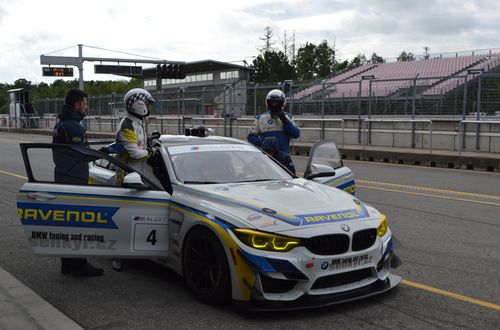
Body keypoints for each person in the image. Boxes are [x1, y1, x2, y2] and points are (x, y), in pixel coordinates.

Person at [52, 89, 104, 277]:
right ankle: (80, 264)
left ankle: (67, 264)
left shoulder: (62, 123)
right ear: (76, 105)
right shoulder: (73, 126)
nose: (87, 106)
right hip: (74, 181)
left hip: (63, 177)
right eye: (85, 103)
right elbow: (81, 153)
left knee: (67, 224)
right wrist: (104, 153)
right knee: (78, 224)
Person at [112, 88, 158, 271]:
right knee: (123, 220)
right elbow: (134, 152)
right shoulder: (127, 125)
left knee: (138, 218)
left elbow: (142, 147)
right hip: (126, 178)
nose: (147, 106)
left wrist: (151, 142)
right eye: (146, 103)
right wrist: (150, 151)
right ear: (138, 104)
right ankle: (117, 256)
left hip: (141, 176)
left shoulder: (138, 123)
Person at [247, 89, 300, 174]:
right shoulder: (261, 118)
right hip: (266, 157)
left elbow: (296, 134)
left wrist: (284, 120)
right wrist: (265, 143)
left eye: (277, 102)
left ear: (282, 103)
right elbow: (251, 137)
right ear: (268, 103)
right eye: (272, 102)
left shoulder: (288, 117)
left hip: (283, 157)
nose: (274, 104)